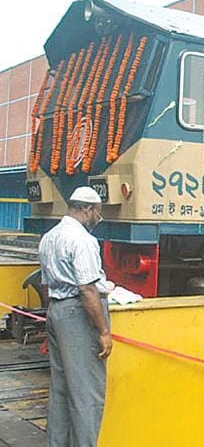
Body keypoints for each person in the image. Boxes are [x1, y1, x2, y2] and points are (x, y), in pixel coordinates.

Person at [39, 186, 115, 447]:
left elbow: (46, 285)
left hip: (57, 312)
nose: (98, 218)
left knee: (60, 390)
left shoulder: (49, 237)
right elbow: (87, 289)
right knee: (87, 394)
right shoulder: (83, 240)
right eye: (98, 212)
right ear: (87, 209)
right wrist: (104, 331)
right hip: (78, 315)